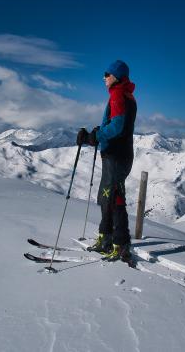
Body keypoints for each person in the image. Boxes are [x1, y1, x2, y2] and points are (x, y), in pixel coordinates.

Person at [77, 60, 137, 262]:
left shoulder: (118, 95)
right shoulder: (126, 95)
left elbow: (118, 126)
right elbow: (115, 124)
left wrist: (95, 136)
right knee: (108, 197)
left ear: (117, 76)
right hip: (118, 154)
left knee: (114, 198)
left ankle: (120, 244)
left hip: (116, 156)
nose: (104, 77)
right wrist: (97, 133)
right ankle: (107, 238)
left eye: (107, 74)